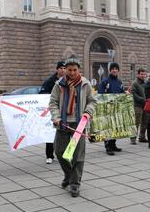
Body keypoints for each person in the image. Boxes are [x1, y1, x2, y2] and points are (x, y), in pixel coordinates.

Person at [49, 56, 96, 197]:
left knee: (77, 155)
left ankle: (75, 183)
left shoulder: (85, 84)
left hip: (78, 124)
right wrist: (56, 117)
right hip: (62, 123)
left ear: (78, 70)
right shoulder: (59, 85)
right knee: (59, 151)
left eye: (75, 70)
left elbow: (92, 101)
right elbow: (53, 103)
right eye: (69, 70)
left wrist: (88, 112)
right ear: (65, 70)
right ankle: (69, 175)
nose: (72, 73)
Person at [39, 61, 66, 164]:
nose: (63, 70)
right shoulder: (50, 81)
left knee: (63, 134)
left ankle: (64, 154)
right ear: (57, 69)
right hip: (52, 110)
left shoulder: (68, 80)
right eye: (61, 68)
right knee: (50, 133)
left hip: (64, 111)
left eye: (64, 68)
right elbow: (42, 93)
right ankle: (49, 155)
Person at [98, 62, 125, 155]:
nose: (114, 70)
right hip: (108, 109)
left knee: (116, 127)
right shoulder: (105, 81)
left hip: (117, 109)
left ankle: (113, 144)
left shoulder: (119, 82)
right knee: (108, 128)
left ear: (118, 71)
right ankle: (108, 147)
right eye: (112, 69)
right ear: (110, 70)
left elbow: (122, 94)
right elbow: (100, 95)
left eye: (116, 69)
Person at [130, 68, 148, 144]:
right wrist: (143, 99)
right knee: (136, 122)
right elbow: (134, 94)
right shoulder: (135, 83)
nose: (143, 75)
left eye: (144, 74)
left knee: (145, 122)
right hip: (137, 106)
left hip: (146, 106)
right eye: (141, 74)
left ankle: (142, 137)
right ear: (138, 74)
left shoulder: (146, 83)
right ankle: (133, 138)